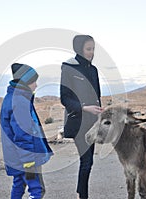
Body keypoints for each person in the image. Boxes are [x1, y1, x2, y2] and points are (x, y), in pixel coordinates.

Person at [0, 63, 53, 199]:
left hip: (16, 157)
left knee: (18, 185)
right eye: (33, 81)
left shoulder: (11, 98)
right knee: (37, 190)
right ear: (25, 82)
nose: (36, 85)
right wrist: (28, 162)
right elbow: (23, 134)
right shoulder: (19, 101)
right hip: (27, 157)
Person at [60, 35, 103, 199]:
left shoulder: (93, 70)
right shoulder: (68, 67)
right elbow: (65, 98)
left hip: (93, 122)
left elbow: (96, 95)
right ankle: (82, 196)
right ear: (79, 48)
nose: (91, 52)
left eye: (93, 49)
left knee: (88, 162)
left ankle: (81, 192)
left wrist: (99, 110)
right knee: (86, 161)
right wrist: (85, 108)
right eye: (88, 49)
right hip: (78, 122)